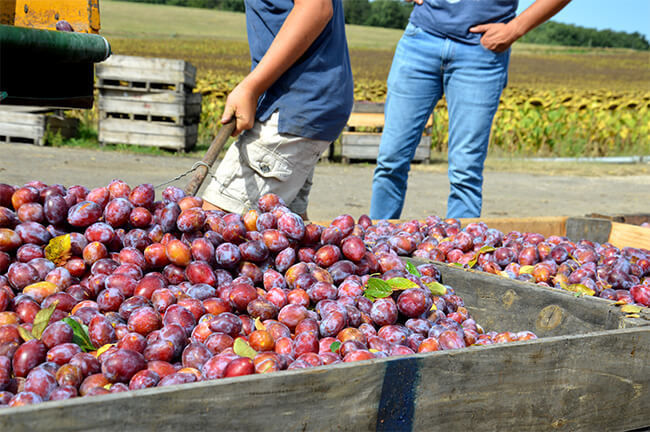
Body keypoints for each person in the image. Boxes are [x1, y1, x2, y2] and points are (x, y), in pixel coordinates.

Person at [370, 0, 571, 220]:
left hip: (481, 53)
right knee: (391, 159)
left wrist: (515, 29)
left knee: (465, 172)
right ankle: (378, 246)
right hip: (420, 40)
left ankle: (458, 251)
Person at [202, 0, 353, 219]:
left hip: (296, 99)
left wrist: (251, 88)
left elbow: (316, 7)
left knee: (215, 226)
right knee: (289, 237)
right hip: (299, 98)